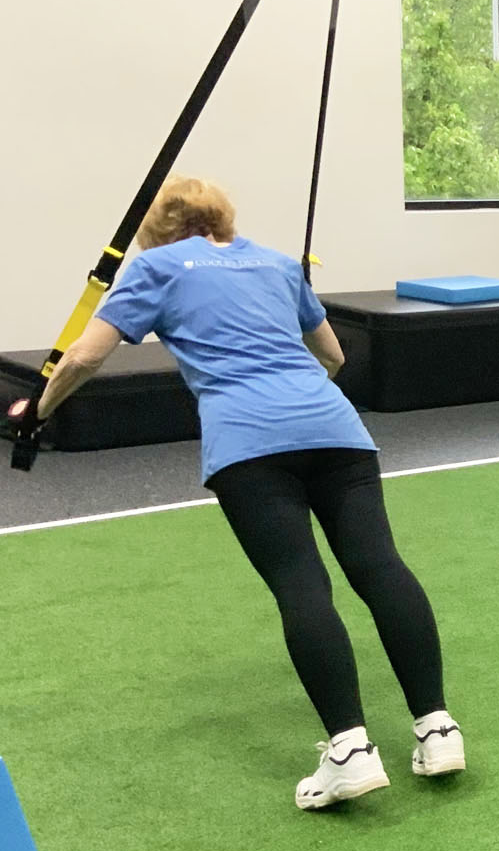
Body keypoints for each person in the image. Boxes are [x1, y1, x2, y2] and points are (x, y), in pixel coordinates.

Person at [4, 177, 463, 810]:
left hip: (250, 445)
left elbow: (83, 358)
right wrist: (297, 393)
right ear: (221, 217)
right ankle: (438, 730)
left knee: (301, 586)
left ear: (156, 229)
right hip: (336, 428)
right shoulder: (277, 263)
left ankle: (350, 751)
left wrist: (38, 412)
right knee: (380, 569)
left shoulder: (155, 267)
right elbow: (331, 355)